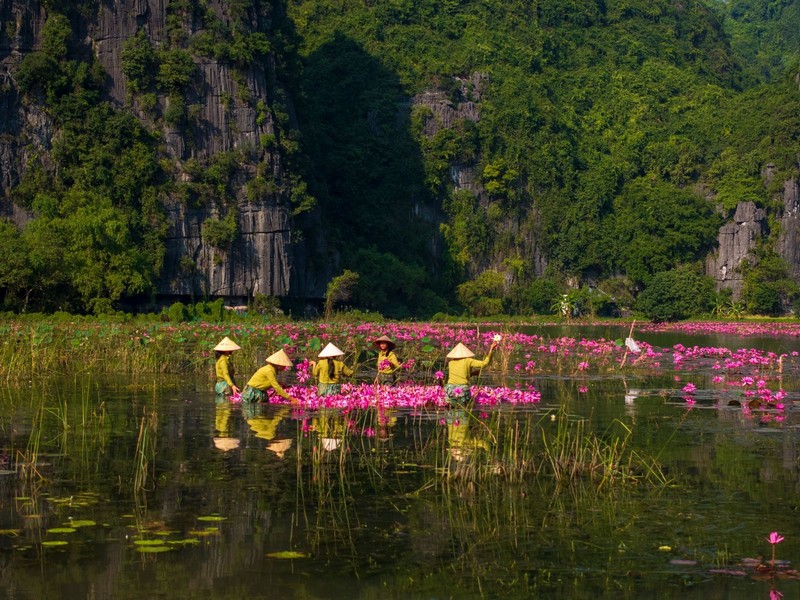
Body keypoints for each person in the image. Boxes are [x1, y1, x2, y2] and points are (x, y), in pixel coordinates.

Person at [444, 340, 498, 405]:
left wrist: (472, 374)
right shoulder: (468, 361)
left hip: (450, 389)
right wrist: (491, 350)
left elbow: (459, 375)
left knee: (451, 410)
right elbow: (484, 363)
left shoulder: (450, 363)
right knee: (463, 410)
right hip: (463, 390)